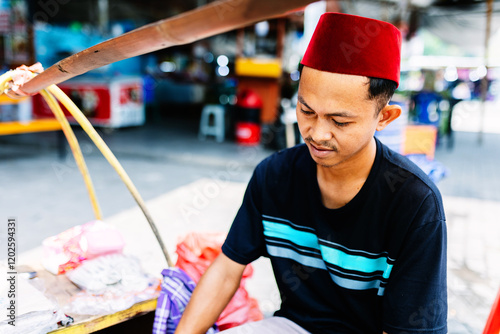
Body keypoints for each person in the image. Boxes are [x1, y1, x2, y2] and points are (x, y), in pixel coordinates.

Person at [175, 12, 447, 334]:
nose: (317, 133)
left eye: (339, 121)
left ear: (384, 117)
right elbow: (226, 269)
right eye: (306, 111)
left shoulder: (414, 202)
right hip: (292, 326)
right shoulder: (274, 175)